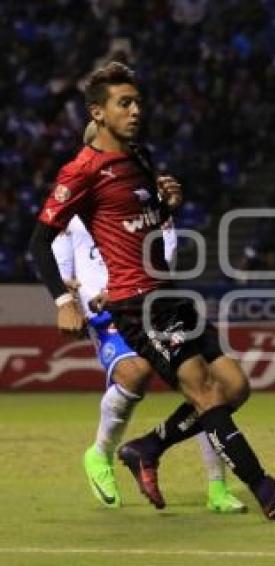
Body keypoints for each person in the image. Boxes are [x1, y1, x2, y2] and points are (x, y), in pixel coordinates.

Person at [29, 61, 275, 521]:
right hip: (137, 303)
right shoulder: (81, 171)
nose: (136, 110)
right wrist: (64, 300)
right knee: (205, 391)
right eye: (124, 103)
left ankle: (147, 447)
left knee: (235, 388)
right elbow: (38, 241)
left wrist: (167, 203)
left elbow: (142, 218)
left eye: (138, 101)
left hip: (169, 293)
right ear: (98, 113)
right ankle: (266, 488)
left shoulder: (139, 157)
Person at [54, 121, 245, 513]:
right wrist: (71, 295)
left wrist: (138, 284)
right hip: (106, 312)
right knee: (135, 373)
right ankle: (101, 453)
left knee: (205, 387)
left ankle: (216, 488)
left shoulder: (140, 195)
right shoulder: (75, 201)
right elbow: (61, 259)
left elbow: (166, 247)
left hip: (148, 299)